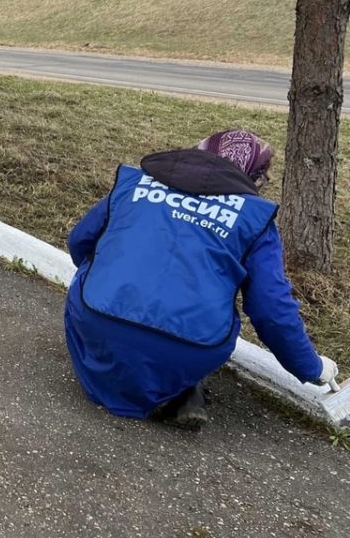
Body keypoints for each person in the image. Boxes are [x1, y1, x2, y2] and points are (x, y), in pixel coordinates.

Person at [64, 128, 339, 430]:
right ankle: (177, 387)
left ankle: (123, 376)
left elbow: (79, 241)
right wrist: (313, 368)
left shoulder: (132, 184)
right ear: (255, 177)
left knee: (92, 271)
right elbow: (271, 310)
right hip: (189, 346)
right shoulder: (255, 220)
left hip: (97, 321)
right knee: (219, 307)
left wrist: (106, 279)